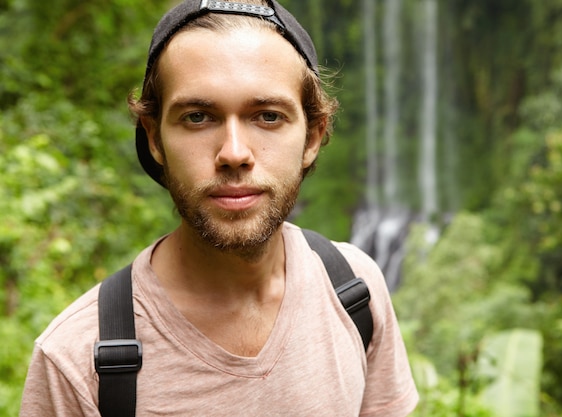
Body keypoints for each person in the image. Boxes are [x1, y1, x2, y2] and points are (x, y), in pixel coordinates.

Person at [20, 0, 419, 415]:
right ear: (154, 138)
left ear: (314, 136)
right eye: (197, 117)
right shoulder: (77, 359)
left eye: (267, 116)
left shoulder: (356, 292)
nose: (233, 153)